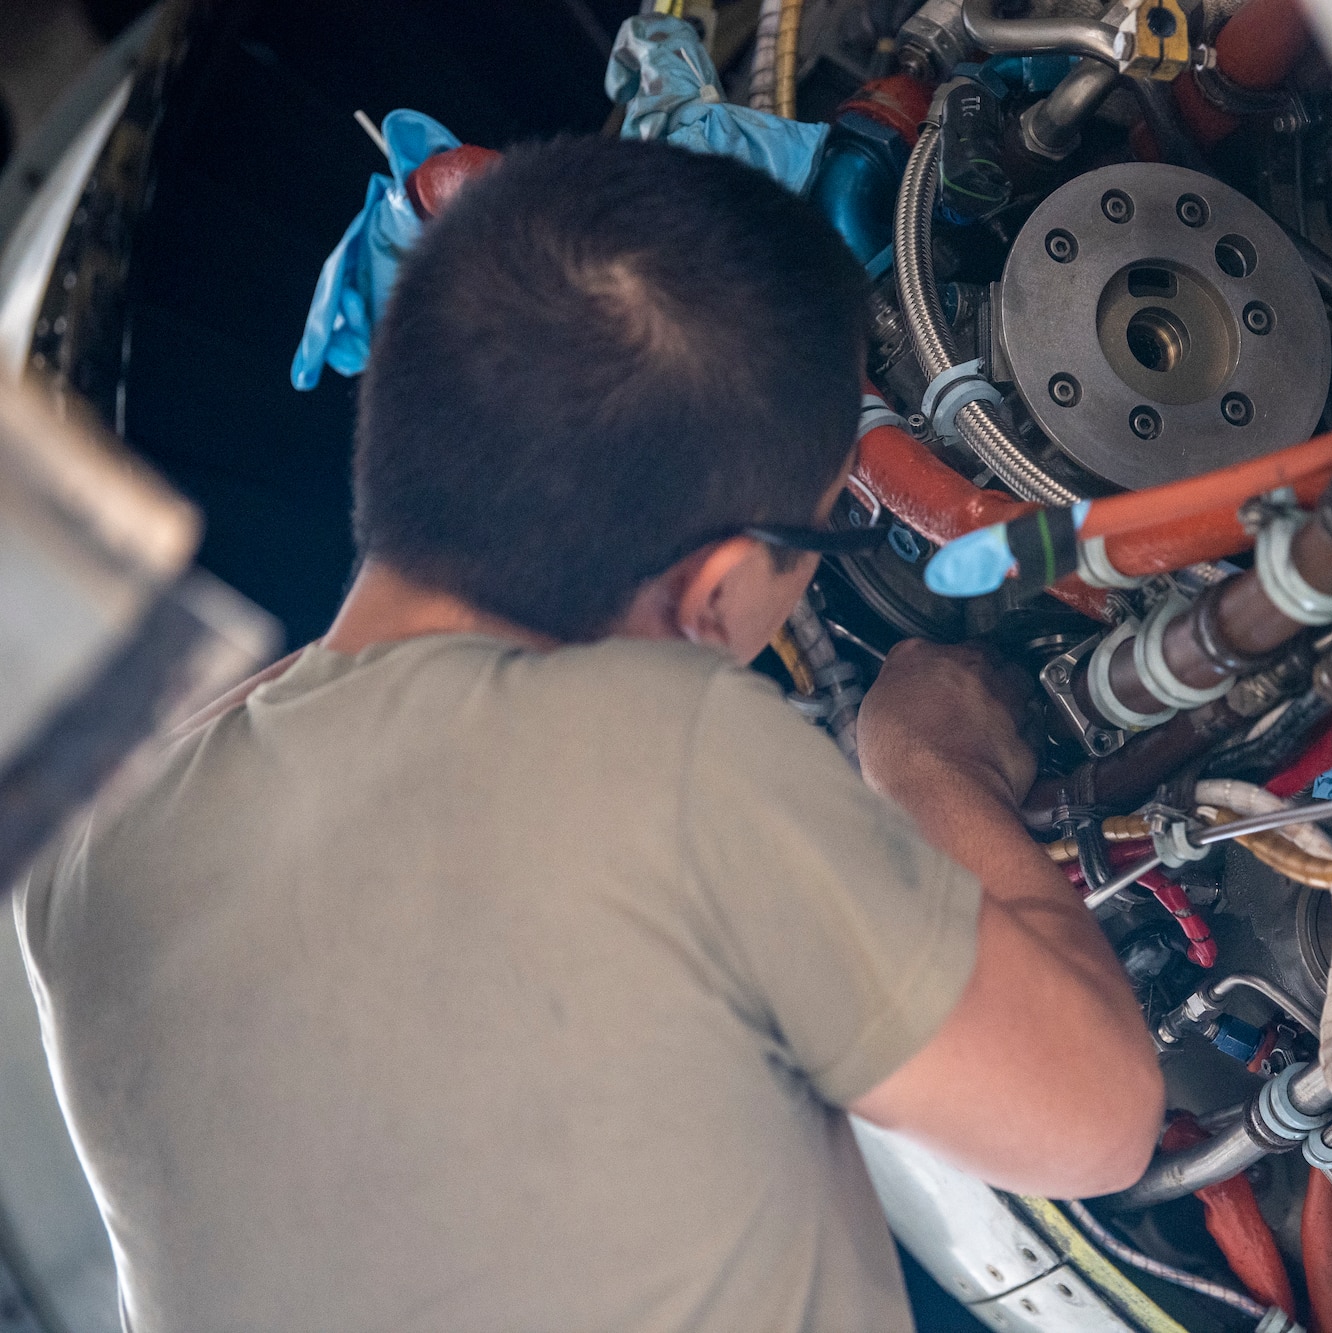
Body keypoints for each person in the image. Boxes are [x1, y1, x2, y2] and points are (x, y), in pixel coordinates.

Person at [19, 136, 1163, 1332]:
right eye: (829, 532)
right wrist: (929, 761)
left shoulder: (92, 853)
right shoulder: (664, 758)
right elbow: (1097, 1119)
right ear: (715, 587)